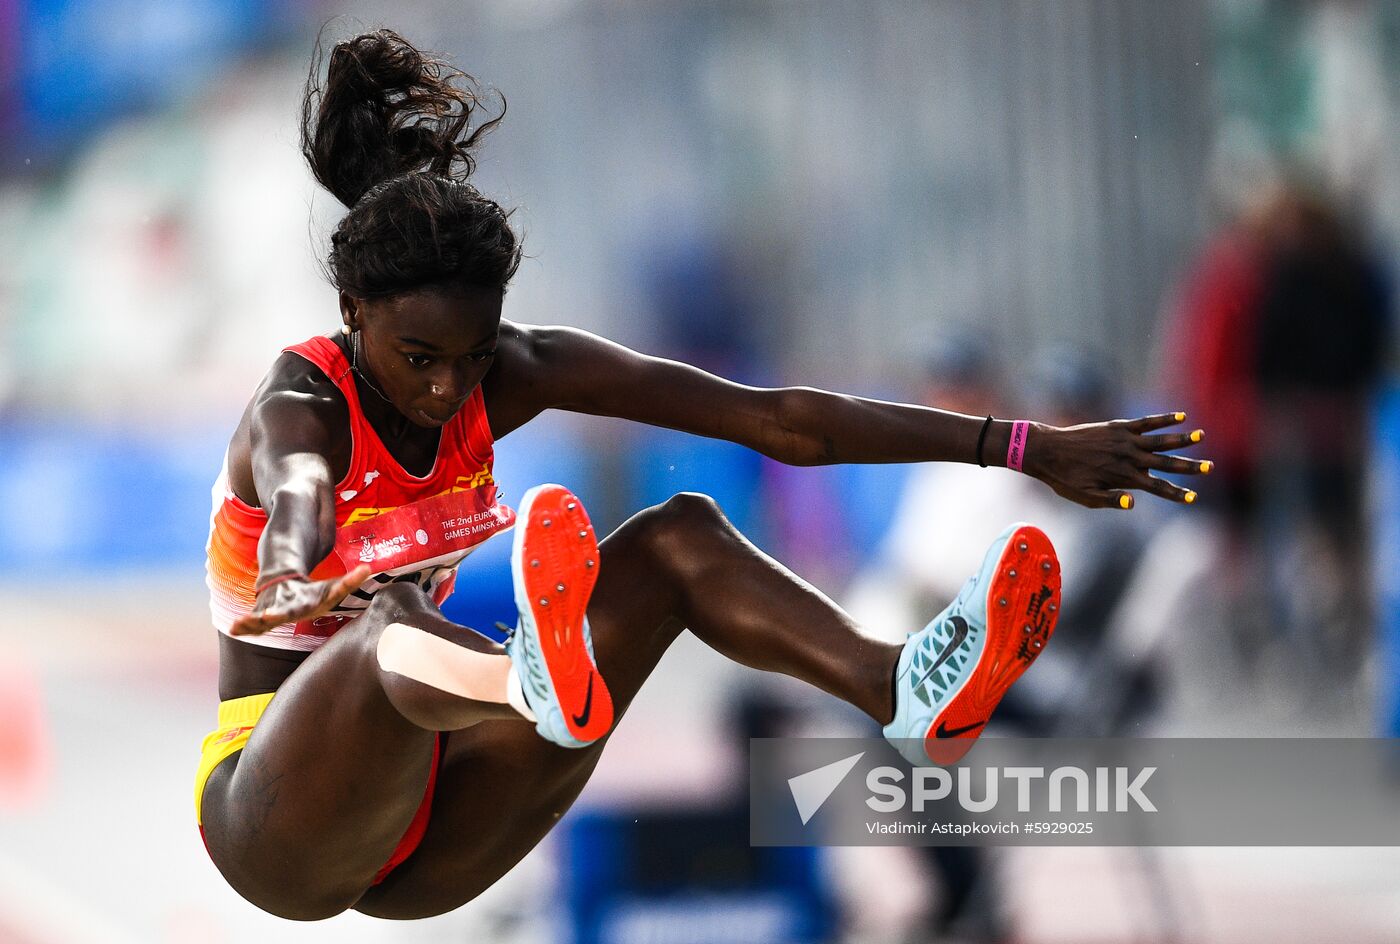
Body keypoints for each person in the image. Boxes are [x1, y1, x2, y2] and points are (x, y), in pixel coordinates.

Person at [193, 29, 1211, 922]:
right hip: (279, 822)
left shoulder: (510, 371)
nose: (447, 386)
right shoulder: (302, 406)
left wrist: (1022, 445)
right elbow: (298, 491)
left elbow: (778, 420)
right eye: (419, 357)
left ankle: (895, 684)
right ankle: (525, 678)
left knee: (679, 531)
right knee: (389, 623)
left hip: (443, 820)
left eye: (471, 354)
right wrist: (294, 559)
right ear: (354, 310)